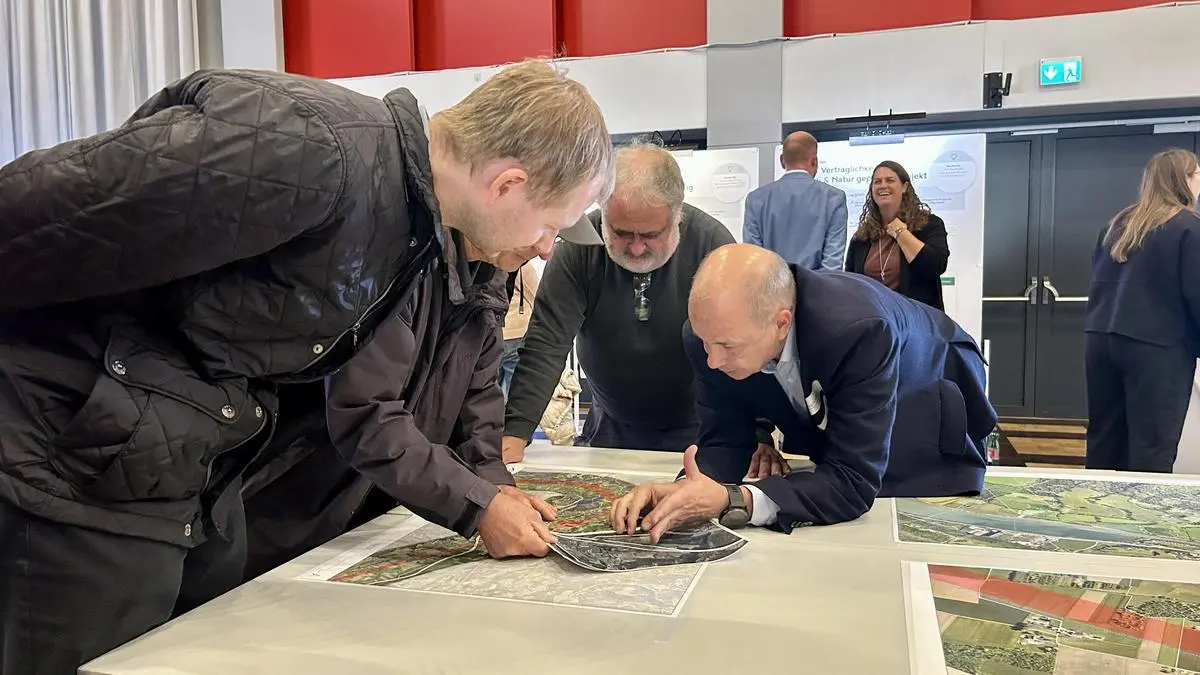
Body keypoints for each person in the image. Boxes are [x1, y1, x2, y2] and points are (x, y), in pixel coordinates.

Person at [0, 61, 612, 674]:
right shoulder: (313, 148)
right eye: (549, 225)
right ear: (507, 184)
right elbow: (37, 215)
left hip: (181, 472)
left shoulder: (408, 222)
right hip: (69, 464)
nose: (545, 246)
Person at [241, 237, 576, 579]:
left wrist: (493, 482)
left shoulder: (488, 275)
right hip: (294, 509)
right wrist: (478, 506)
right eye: (545, 222)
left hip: (376, 513)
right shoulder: (389, 256)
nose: (546, 249)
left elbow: (477, 395)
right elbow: (368, 415)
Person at [609, 244, 995, 541]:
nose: (712, 360)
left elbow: (852, 482)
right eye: (705, 341)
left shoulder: (858, 330)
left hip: (929, 409)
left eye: (726, 346)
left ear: (781, 324)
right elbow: (724, 443)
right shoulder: (711, 336)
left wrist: (736, 500)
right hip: (850, 422)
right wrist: (682, 492)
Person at [502, 142, 735, 462]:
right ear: (603, 215)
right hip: (609, 424)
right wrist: (515, 435)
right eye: (622, 233)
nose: (636, 249)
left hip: (700, 425)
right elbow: (546, 343)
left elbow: (742, 345)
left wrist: (757, 432)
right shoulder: (580, 247)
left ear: (677, 216)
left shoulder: (712, 245)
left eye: (651, 235)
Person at [1085, 148, 1200, 473]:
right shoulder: (1189, 228)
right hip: (1157, 346)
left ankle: (1095, 504)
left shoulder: (1116, 225)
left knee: (1104, 441)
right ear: (1185, 180)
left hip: (1101, 341)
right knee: (1152, 446)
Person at [845, 161, 950, 311]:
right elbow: (851, 284)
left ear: (905, 187)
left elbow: (934, 266)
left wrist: (901, 232)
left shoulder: (929, 224)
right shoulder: (862, 237)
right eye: (877, 182)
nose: (883, 186)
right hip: (875, 319)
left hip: (917, 318)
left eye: (890, 180)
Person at [743, 131, 848, 271]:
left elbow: (754, 260)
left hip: (771, 284)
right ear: (814, 161)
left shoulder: (756, 199)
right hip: (817, 284)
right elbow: (832, 265)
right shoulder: (834, 198)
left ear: (782, 160)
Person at [499, 261, 541, 396]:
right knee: (513, 384)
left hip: (496, 332)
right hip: (516, 333)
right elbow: (535, 296)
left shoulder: (494, 262)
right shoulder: (524, 266)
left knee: (492, 383)